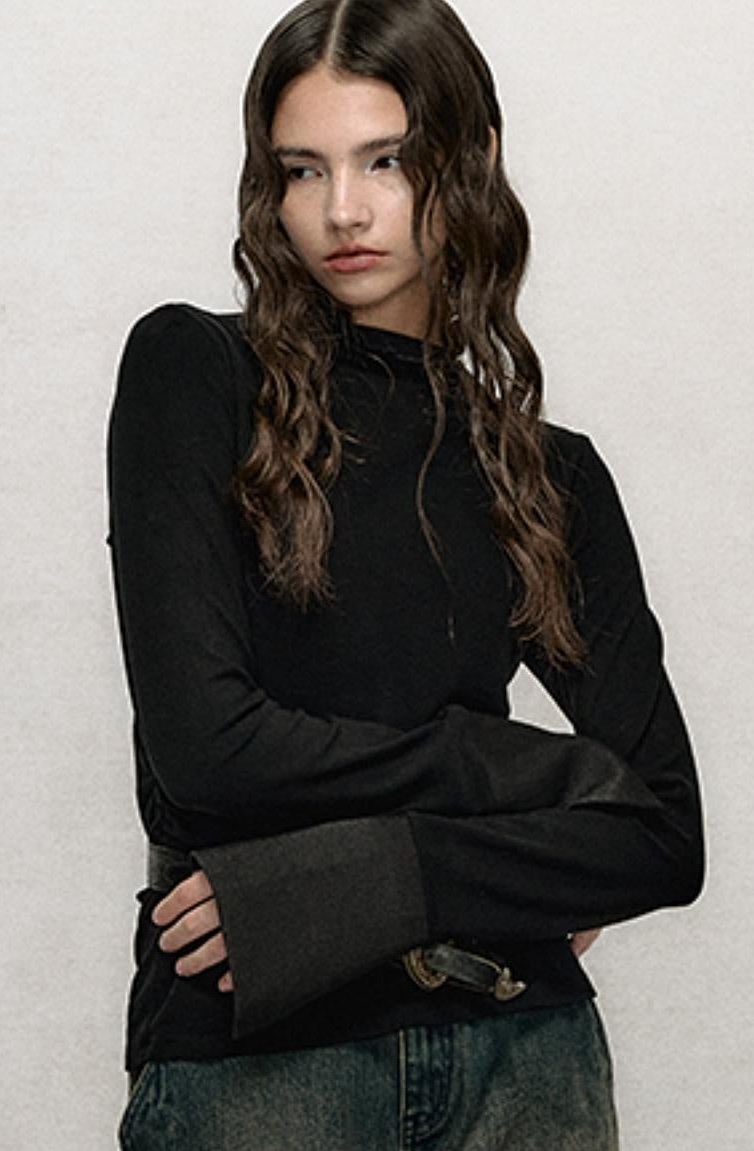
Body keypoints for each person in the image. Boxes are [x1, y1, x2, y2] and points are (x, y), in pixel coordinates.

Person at [108, 1, 704, 1147]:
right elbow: (208, 751)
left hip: (524, 1055)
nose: (342, 209)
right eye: (302, 169)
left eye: (385, 160)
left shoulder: (547, 472)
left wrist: (394, 870)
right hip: (263, 1066)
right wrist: (510, 770)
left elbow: (661, 837)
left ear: (469, 158)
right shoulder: (196, 373)